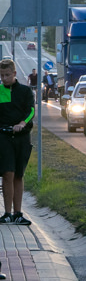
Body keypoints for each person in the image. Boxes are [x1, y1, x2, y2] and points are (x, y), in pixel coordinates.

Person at [0, 58, 35, 225]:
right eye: (1, 76)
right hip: (4, 137)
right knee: (8, 173)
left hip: (22, 137)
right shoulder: (0, 91)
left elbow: (31, 111)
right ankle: (7, 213)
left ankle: (18, 213)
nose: (4, 79)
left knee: (18, 175)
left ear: (14, 74)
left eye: (7, 75)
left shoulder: (25, 92)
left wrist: (22, 124)